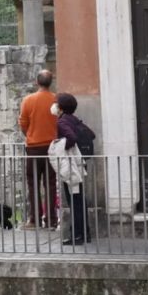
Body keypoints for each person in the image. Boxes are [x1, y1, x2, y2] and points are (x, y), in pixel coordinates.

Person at [18, 70, 59, 229]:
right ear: (51, 82)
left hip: (34, 147)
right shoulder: (55, 100)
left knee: (33, 183)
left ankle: (34, 219)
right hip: (52, 147)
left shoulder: (28, 100)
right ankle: (51, 219)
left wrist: (29, 134)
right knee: (51, 183)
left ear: (37, 82)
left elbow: (23, 123)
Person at [52, 93, 89, 246]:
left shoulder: (62, 122)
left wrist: (59, 147)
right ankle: (84, 233)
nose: (53, 106)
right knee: (79, 200)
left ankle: (77, 235)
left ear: (60, 108)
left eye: (56, 103)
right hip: (78, 165)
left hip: (71, 166)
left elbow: (71, 138)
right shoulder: (73, 119)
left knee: (74, 201)